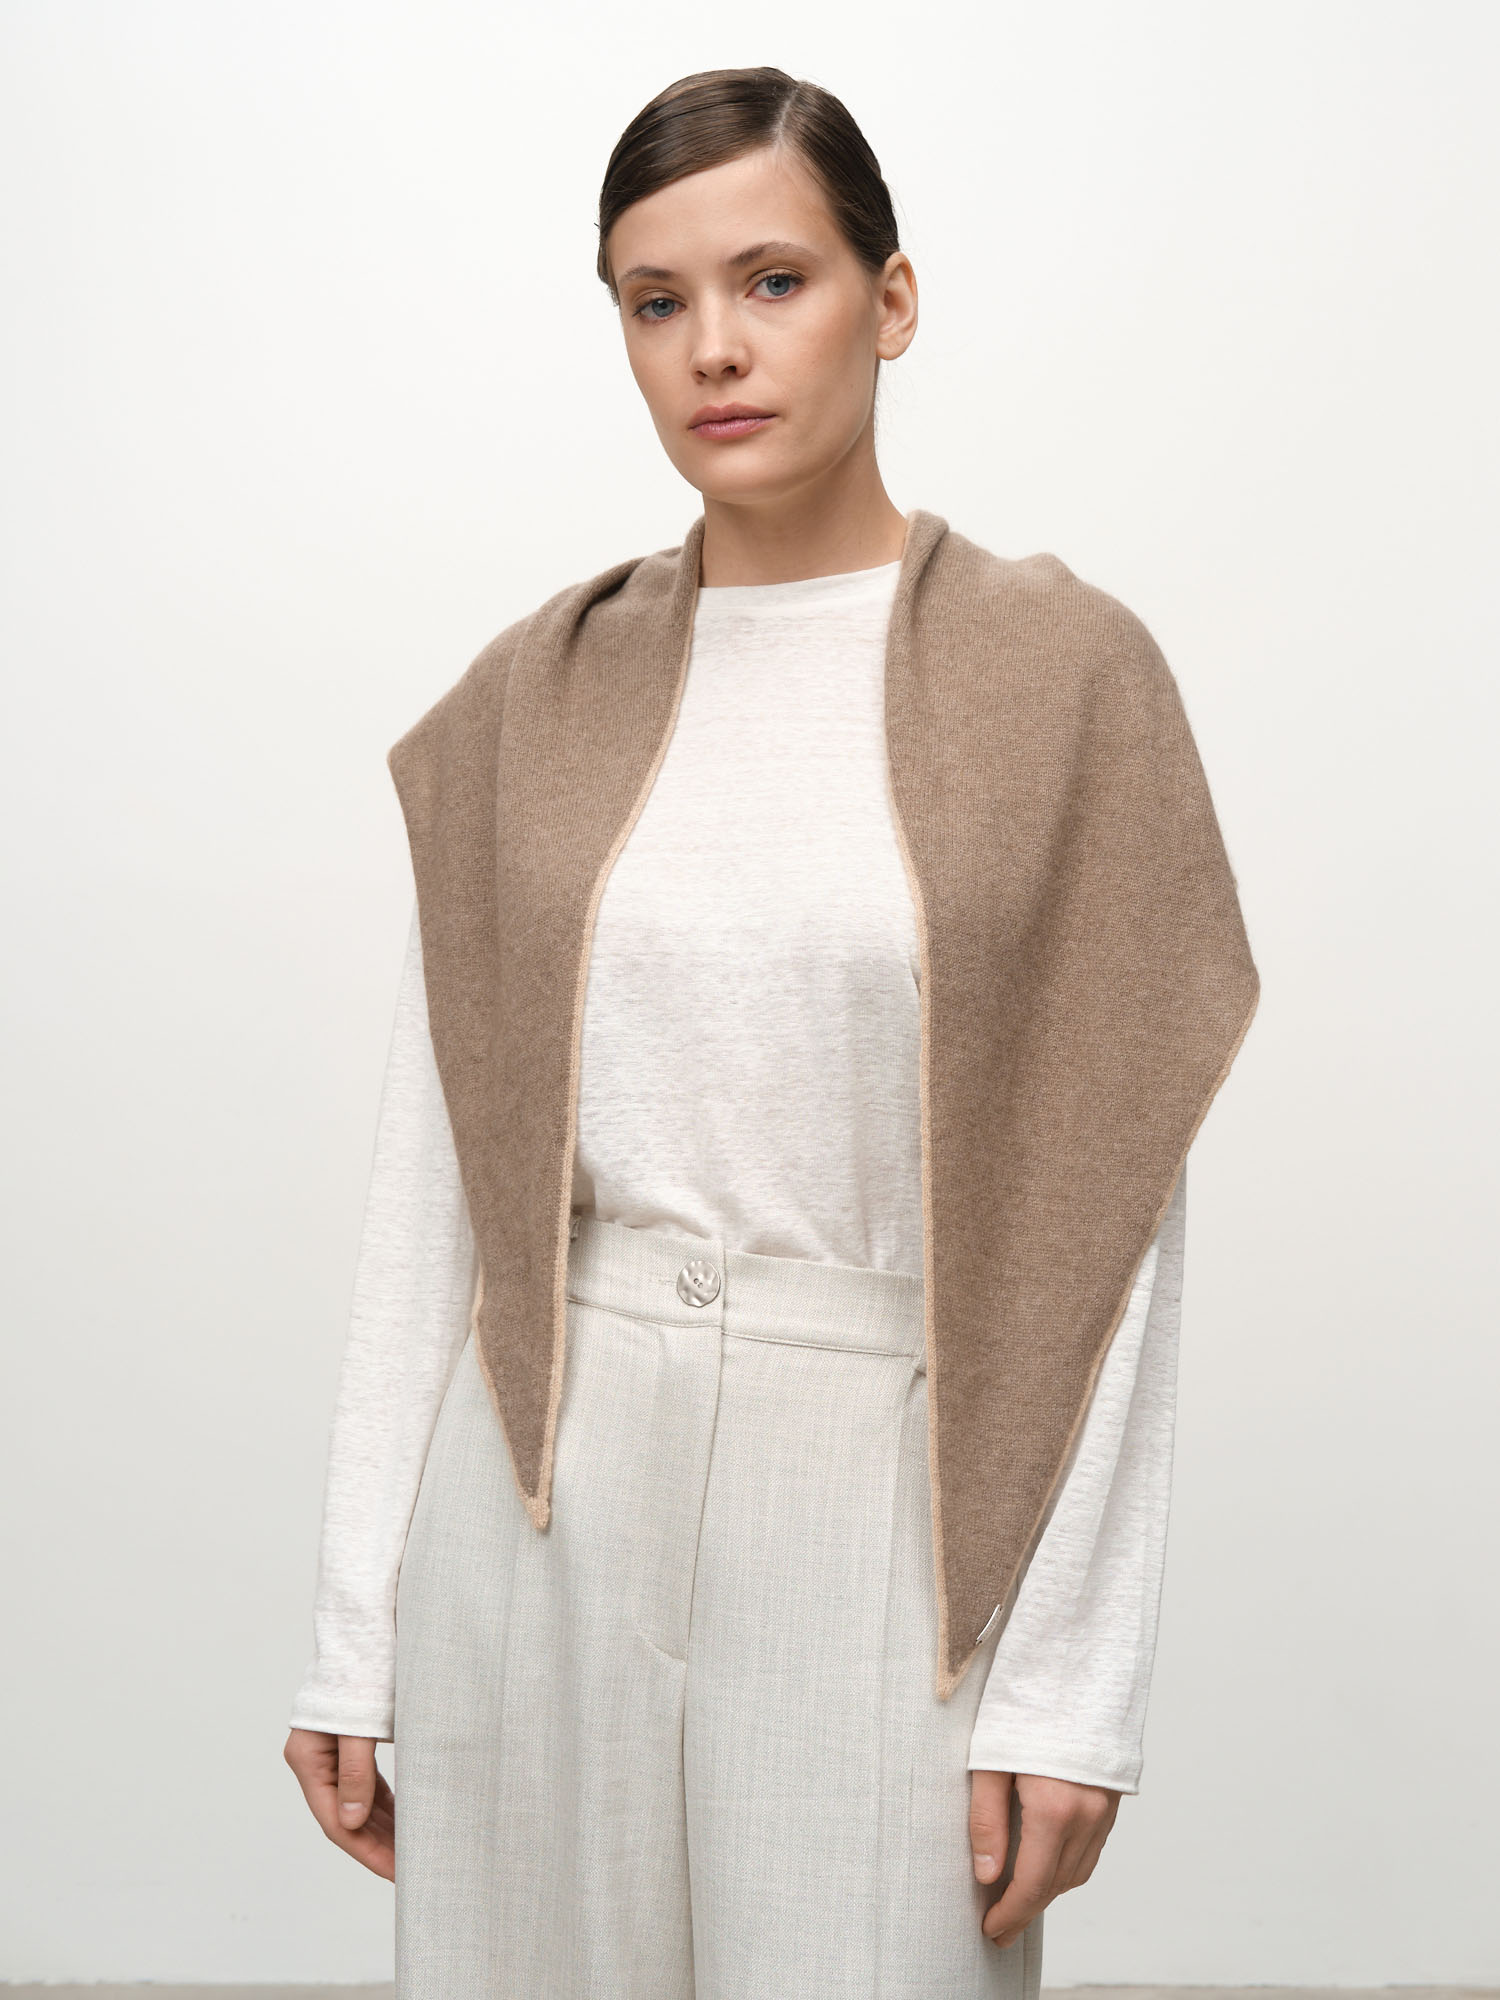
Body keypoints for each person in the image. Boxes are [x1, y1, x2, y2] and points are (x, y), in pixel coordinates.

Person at [284, 65, 1258, 2000]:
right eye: (657, 302)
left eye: (774, 281)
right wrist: (351, 1621)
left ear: (891, 300)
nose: (715, 349)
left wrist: (1069, 1686)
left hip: (892, 1492)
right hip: (543, 1487)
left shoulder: (1064, 679)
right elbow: (440, 1178)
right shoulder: (536, 695)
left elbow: (1110, 1208)